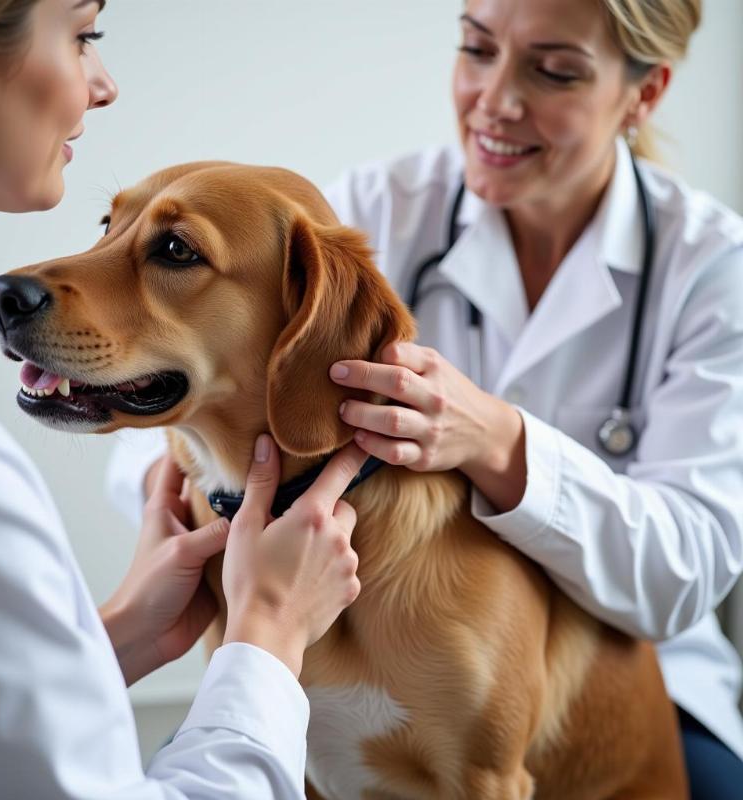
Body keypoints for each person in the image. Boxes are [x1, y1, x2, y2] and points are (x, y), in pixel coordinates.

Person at [110, 0, 743, 797]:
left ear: (644, 92)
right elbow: (191, 386)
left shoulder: (714, 269)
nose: (496, 100)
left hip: (632, 676)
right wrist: (205, 502)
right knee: (202, 760)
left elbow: (688, 570)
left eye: (553, 70)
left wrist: (502, 444)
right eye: (477, 49)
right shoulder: (375, 209)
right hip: (326, 629)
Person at [0, 1, 364, 798]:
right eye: (82, 36)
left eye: (169, 249)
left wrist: (115, 638)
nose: (102, 85)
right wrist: (267, 633)